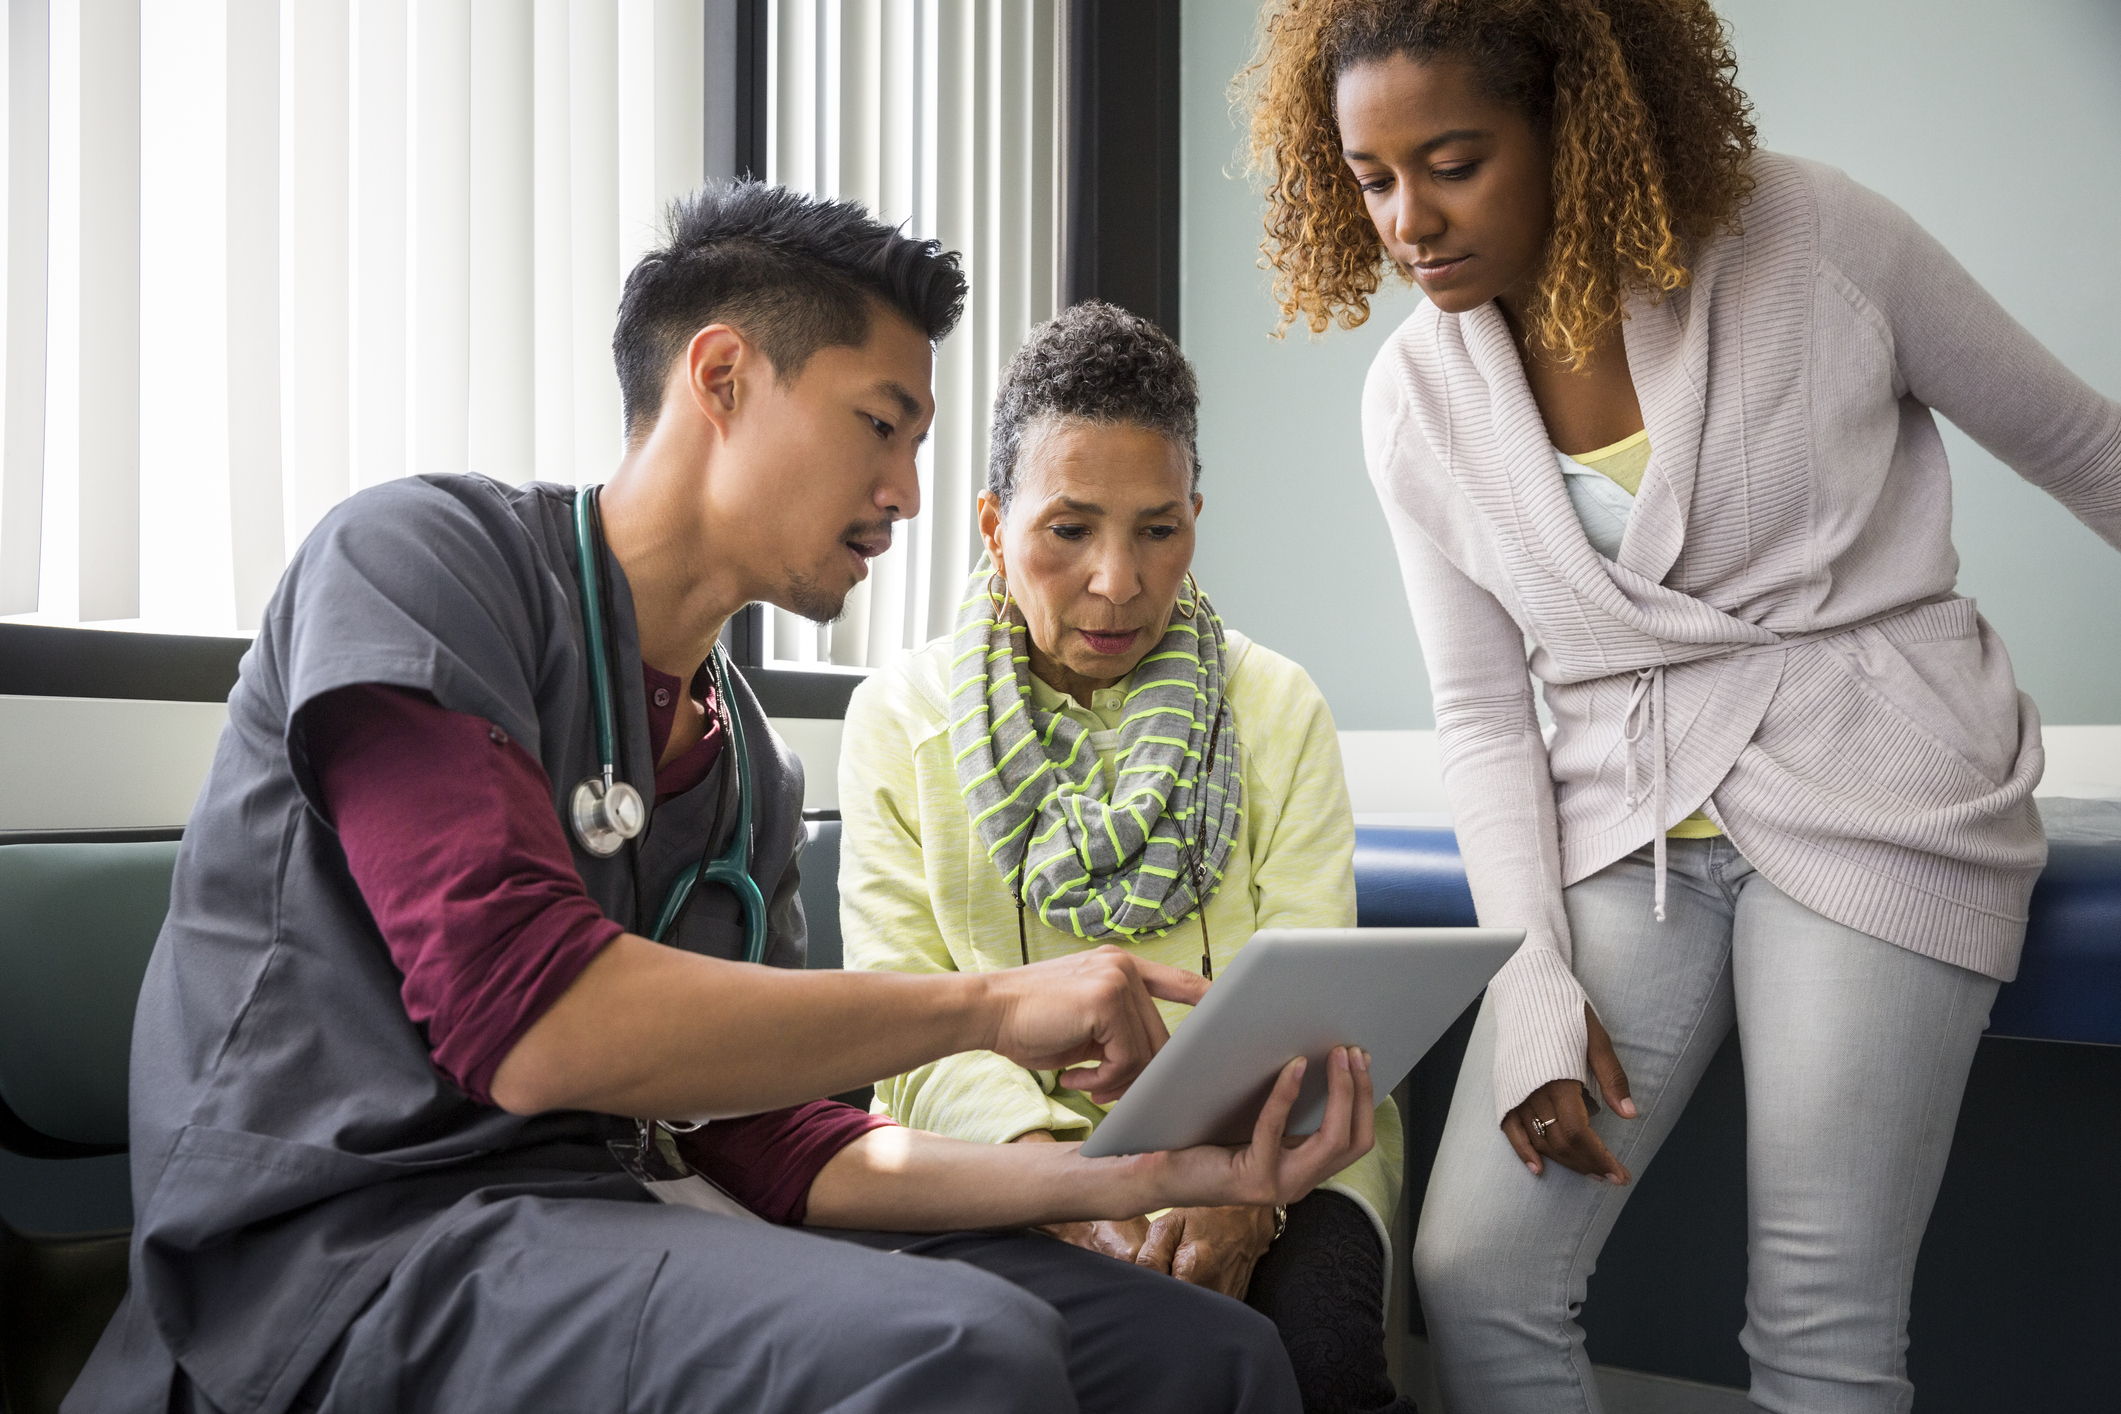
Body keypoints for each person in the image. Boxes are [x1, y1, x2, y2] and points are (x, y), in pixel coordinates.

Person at [65, 184, 1381, 1414]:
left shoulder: (746, 757)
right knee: (965, 1348)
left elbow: (781, 1144)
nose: (907, 497)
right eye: (880, 424)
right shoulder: (419, 562)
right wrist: (988, 1006)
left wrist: (1154, 1174)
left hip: (612, 1214)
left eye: (921, 444)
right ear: (722, 376)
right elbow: (525, 1016)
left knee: (1206, 1354)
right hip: (345, 1250)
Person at [1239, 2, 2121, 1411]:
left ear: (1574, 123)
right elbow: (1479, 710)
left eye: (1452, 161)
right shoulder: (1413, 395)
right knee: (1476, 1274)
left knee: (1818, 1317)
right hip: (1626, 824)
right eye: (1370, 176)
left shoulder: (1815, 240)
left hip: (1877, 784)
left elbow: (2085, 445)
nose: (1407, 219)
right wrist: (1528, 983)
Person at [839, 300, 1414, 1414]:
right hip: (1003, 1157)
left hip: (1287, 1146)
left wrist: (1242, 1189)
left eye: (1158, 529)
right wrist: (1060, 1179)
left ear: (1197, 516)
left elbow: (1315, 1004)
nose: (1118, 580)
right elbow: (906, 1032)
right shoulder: (899, 721)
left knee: (1323, 1368)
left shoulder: (1274, 705)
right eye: (1070, 529)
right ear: (995, 522)